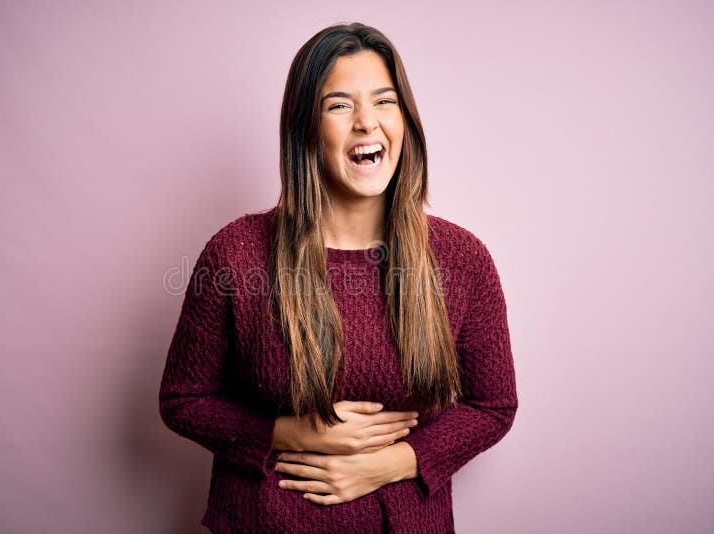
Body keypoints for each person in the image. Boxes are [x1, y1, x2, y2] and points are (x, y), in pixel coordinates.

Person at [159, 22, 518, 533]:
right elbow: (182, 400)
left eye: (384, 101)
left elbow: (494, 405)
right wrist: (292, 433)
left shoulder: (462, 260)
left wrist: (389, 464)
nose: (367, 123)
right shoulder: (235, 254)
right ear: (305, 128)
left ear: (406, 120)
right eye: (339, 105)